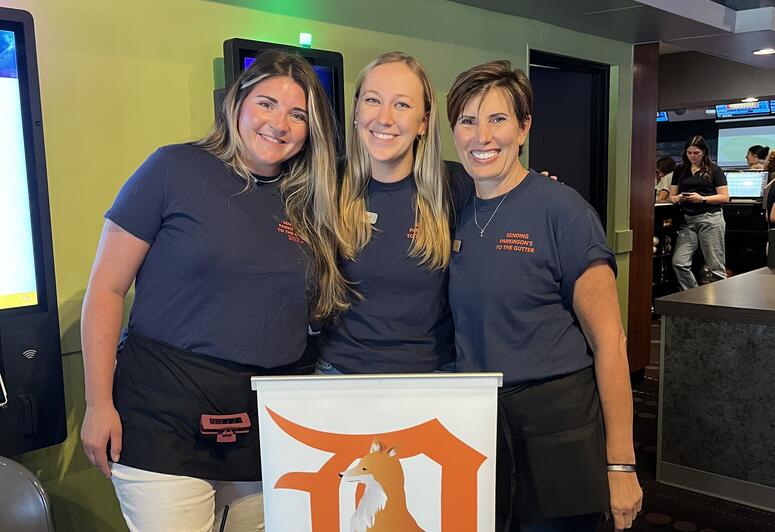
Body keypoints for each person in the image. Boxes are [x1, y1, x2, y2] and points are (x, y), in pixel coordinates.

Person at [79, 50, 348, 532]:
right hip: (164, 419)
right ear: (237, 103)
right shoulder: (172, 168)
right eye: (266, 104)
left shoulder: (313, 201)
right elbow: (106, 289)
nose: (279, 124)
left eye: (297, 114)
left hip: (268, 430)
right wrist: (99, 405)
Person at [446, 60, 642, 532]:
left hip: (556, 421)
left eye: (497, 119)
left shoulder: (564, 212)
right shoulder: (452, 205)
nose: (481, 136)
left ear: (524, 127)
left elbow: (610, 344)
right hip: (478, 419)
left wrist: (622, 465)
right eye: (467, 121)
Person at [316, 51, 457, 375]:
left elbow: (515, 200)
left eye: (402, 104)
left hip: (433, 380)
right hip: (340, 377)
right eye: (372, 100)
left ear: (423, 121)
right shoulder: (326, 184)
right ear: (355, 111)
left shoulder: (456, 187)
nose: (384, 118)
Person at [668, 135, 729, 290]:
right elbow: (672, 195)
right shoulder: (680, 170)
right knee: (679, 262)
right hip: (688, 221)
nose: (693, 156)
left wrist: (702, 199)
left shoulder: (714, 169)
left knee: (715, 266)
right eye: (689, 153)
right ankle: (693, 295)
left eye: (696, 153)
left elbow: (724, 197)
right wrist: (678, 198)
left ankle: (721, 305)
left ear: (704, 152)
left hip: (710, 218)